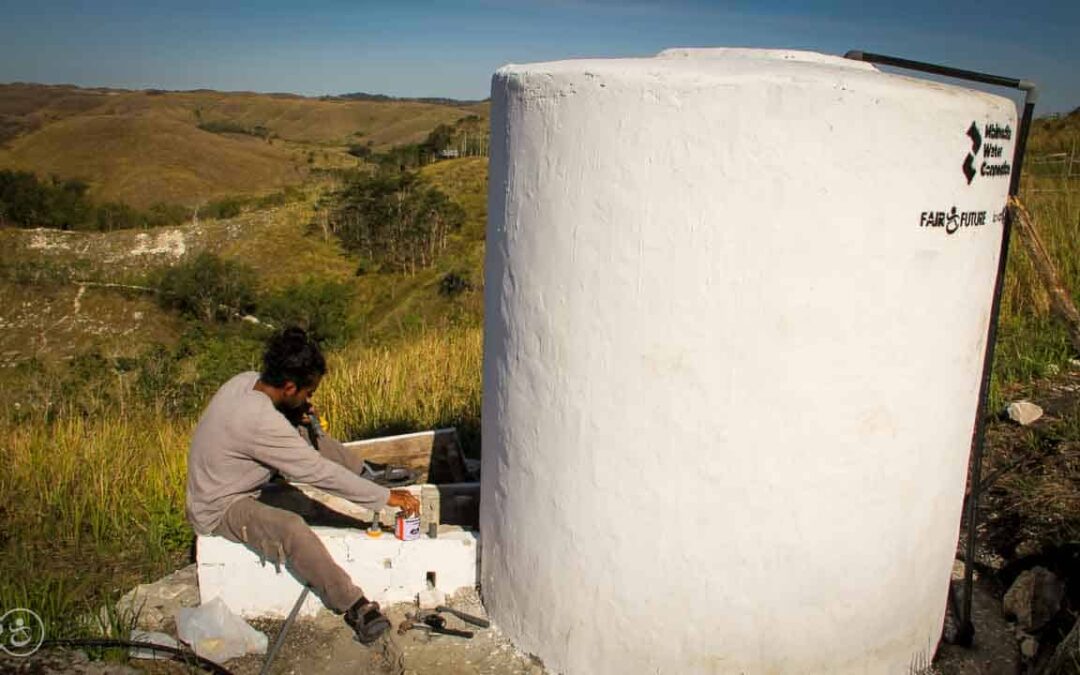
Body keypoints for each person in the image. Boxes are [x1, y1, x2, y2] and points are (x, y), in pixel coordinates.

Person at [185, 327, 419, 644]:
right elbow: (316, 471)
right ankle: (354, 604)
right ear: (290, 386)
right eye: (308, 392)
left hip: (234, 481)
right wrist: (384, 499)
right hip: (219, 506)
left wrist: (301, 416)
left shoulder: (246, 380)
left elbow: (304, 444)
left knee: (301, 432)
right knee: (291, 528)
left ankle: (365, 472)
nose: (310, 398)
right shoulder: (257, 420)